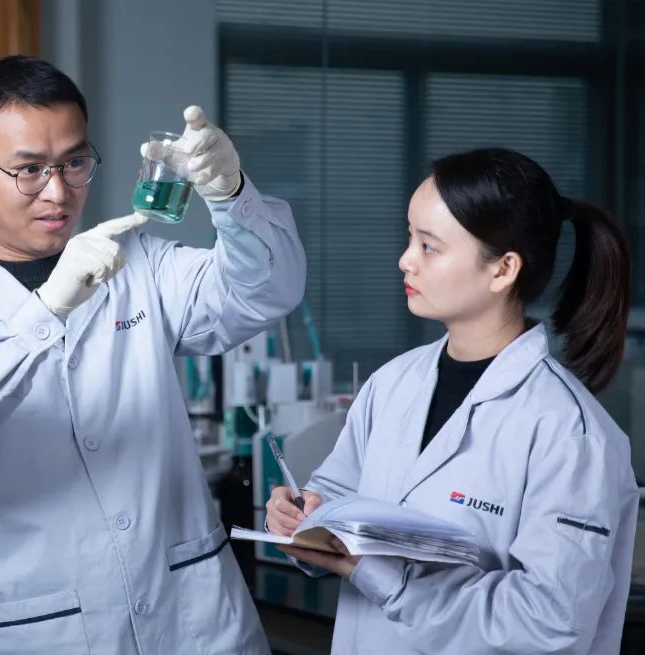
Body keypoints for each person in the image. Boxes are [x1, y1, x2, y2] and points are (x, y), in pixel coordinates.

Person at [0, 55, 306, 653]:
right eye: (29, 169)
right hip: (36, 633)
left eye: (75, 162)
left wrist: (232, 196)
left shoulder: (142, 264)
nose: (58, 192)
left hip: (191, 621)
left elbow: (268, 291)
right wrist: (45, 311)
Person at [266, 147, 637, 655]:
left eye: (429, 246)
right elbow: (336, 495)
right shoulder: (392, 383)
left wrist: (390, 580)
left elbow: (548, 621)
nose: (405, 260)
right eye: (409, 239)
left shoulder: (569, 432)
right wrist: (301, 517)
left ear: (502, 269)